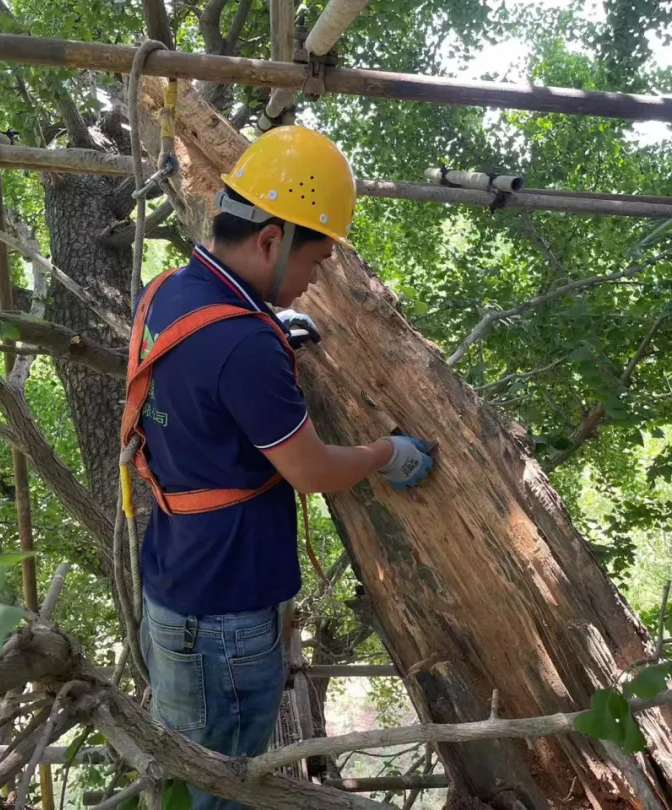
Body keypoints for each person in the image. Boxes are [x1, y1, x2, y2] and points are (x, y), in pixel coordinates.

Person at [120, 125, 433, 809]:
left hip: (178, 580)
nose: (314, 281)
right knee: (224, 788)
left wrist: (268, 319)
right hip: (226, 615)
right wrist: (387, 452)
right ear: (269, 241)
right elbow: (313, 469)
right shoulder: (244, 347)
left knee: (187, 769)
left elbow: (199, 383)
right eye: (314, 263)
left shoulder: (170, 292)